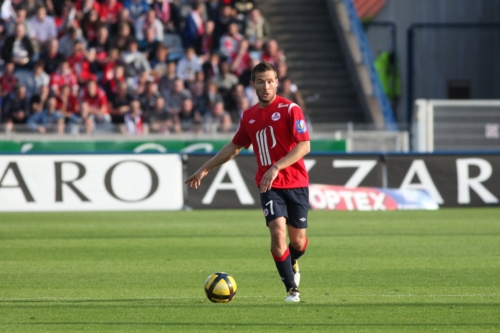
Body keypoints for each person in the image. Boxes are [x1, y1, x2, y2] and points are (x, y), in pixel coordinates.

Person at [185, 61, 310, 303]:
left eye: (270, 81)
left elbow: (305, 145)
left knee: (298, 242)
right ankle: (291, 289)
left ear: (277, 82)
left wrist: (276, 166)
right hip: (268, 185)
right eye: (260, 82)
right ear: (252, 85)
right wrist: (204, 169)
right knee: (277, 233)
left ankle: (292, 260)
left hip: (295, 182)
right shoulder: (249, 116)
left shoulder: (290, 109)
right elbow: (234, 147)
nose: (266, 86)